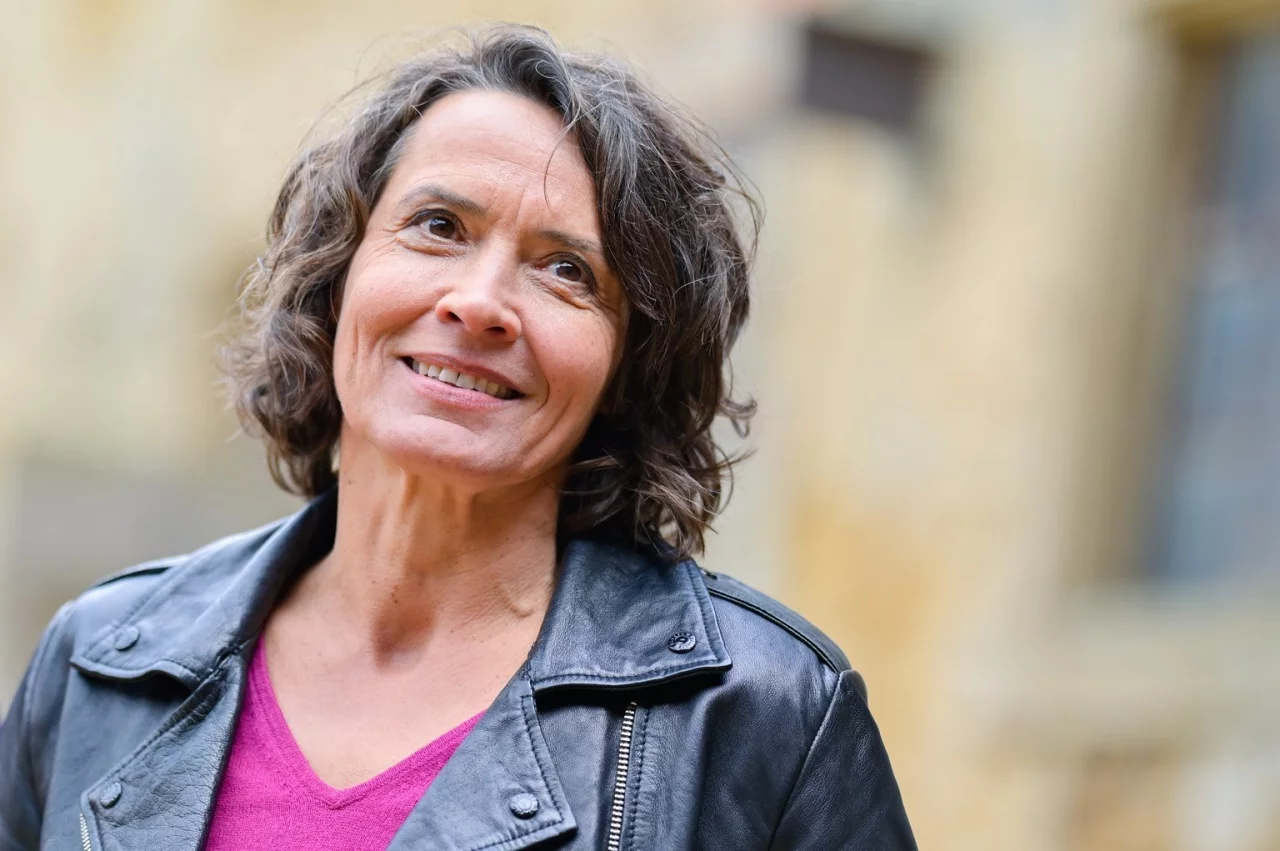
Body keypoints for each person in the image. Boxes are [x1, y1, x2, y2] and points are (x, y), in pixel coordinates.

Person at [0, 24, 915, 851]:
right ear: (339, 276)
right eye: (438, 227)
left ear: (628, 366)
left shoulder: (765, 720)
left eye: (567, 270)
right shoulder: (101, 663)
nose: (479, 303)